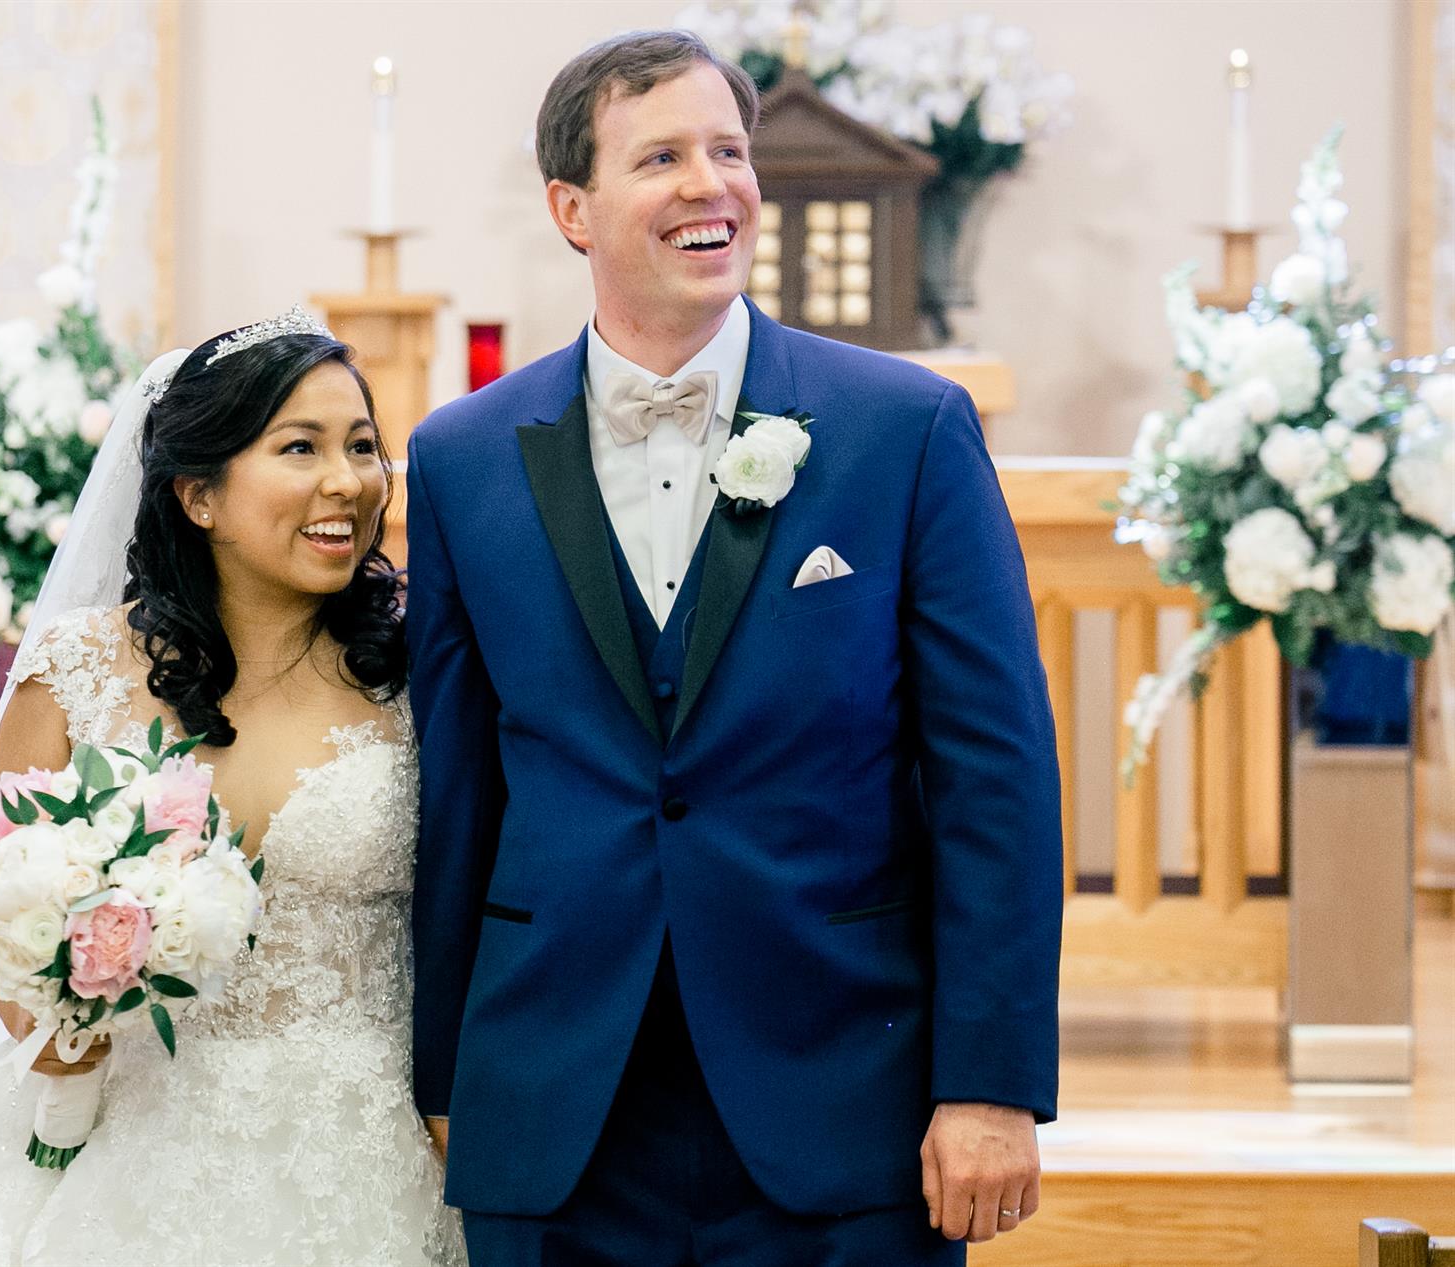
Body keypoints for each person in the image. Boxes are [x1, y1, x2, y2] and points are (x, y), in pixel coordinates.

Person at [405, 30, 1062, 1265]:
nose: (712, 184)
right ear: (571, 208)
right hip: (555, 1103)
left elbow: (996, 773)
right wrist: (442, 1073)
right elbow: (458, 788)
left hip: (844, 1094)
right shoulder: (461, 458)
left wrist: (991, 1081)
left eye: (729, 151)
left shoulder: (905, 429)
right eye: (661, 157)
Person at [0, 312, 463, 1266]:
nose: (349, 480)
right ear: (198, 494)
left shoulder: (420, 665)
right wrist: (53, 1023)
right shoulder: (81, 666)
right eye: (300, 447)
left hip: (367, 1145)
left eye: (363, 445)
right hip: (126, 1132)